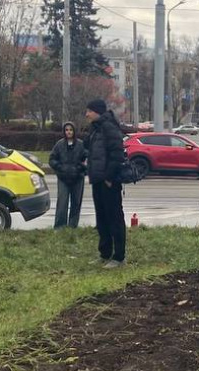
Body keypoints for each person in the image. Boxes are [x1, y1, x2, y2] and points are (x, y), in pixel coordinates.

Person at [84, 99, 127, 268]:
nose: (86, 114)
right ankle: (105, 253)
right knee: (101, 219)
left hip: (109, 182)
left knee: (114, 218)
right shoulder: (96, 128)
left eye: (89, 111)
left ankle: (119, 257)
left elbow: (117, 154)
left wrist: (109, 177)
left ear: (97, 111)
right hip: (97, 180)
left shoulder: (109, 127)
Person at [49, 121, 87, 229]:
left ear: (74, 131)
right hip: (63, 179)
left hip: (78, 179)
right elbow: (52, 159)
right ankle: (59, 227)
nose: (68, 132)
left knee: (76, 203)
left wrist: (81, 169)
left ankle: (72, 226)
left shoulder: (81, 144)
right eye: (66, 130)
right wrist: (60, 168)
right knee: (62, 202)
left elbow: (87, 159)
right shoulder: (59, 145)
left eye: (70, 130)